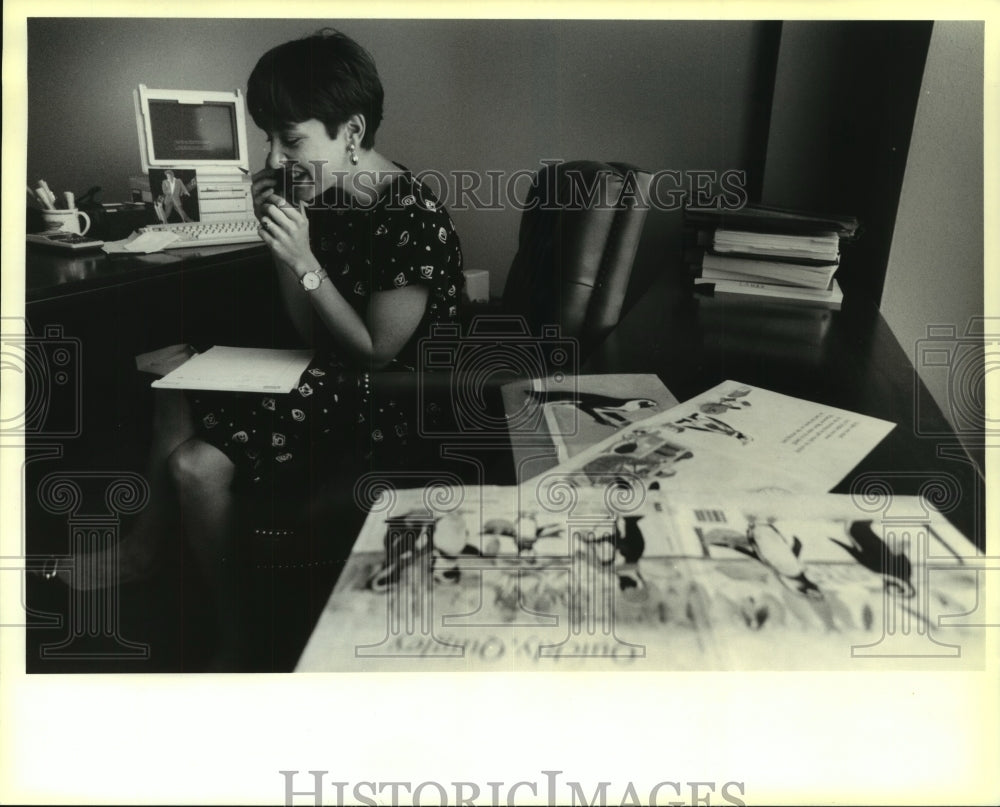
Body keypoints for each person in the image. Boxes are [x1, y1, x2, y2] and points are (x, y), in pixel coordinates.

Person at [43, 30, 464, 670]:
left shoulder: (411, 214)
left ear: (351, 131)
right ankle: (144, 551)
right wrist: (282, 250)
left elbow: (377, 353)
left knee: (194, 465)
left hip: (391, 399)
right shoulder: (322, 193)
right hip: (330, 371)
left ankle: (241, 632)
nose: (273, 156)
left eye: (290, 140)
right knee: (174, 383)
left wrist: (304, 257)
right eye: (268, 137)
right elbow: (308, 331)